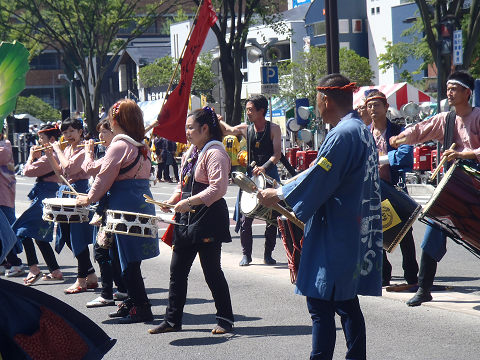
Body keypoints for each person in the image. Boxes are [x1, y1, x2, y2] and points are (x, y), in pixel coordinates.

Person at [257, 74, 383, 360]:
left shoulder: (341, 134)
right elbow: (319, 170)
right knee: (346, 301)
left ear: (325, 100)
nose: (316, 107)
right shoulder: (360, 129)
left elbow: (320, 176)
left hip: (336, 228)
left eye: (317, 101)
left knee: (320, 301)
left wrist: (279, 194)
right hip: (351, 223)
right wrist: (285, 188)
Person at [389, 70, 480, 306]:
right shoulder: (446, 119)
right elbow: (422, 129)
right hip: (452, 186)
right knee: (435, 227)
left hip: (476, 186)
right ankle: (424, 287)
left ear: (467, 93)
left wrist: (465, 154)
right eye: (448, 88)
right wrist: (403, 137)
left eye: (454, 88)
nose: (449, 92)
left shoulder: (478, 116)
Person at [148, 107, 234, 335]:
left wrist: (190, 202)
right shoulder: (191, 152)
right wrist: (171, 201)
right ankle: (172, 320)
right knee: (177, 270)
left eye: (190, 127)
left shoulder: (215, 152)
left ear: (205, 129)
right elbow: (181, 186)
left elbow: (219, 188)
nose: (186, 132)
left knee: (211, 271)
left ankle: (225, 319)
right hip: (187, 217)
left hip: (208, 217)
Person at [76, 99, 159, 323]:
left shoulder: (120, 145)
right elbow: (101, 169)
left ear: (117, 119)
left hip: (123, 205)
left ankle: (141, 306)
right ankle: (132, 301)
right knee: (125, 256)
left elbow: (104, 177)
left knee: (126, 257)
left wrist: (89, 198)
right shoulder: (139, 145)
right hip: (139, 202)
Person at [365, 90, 419, 287]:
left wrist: (380, 160)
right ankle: (383, 274)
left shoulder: (397, 130)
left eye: (376, 105)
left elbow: (405, 156)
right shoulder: (365, 132)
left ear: (386, 107)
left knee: (404, 231)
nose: (372, 109)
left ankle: (412, 275)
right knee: (377, 230)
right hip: (372, 189)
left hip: (394, 187)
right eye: (369, 105)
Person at [221, 94, 282, 266]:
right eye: (246, 110)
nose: (247, 113)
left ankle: (268, 254)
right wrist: (217, 119)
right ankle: (246, 254)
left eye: (250, 110)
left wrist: (264, 167)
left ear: (261, 111)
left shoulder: (274, 129)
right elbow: (228, 130)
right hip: (251, 176)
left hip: (270, 174)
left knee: (272, 217)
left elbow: (276, 154)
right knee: (246, 216)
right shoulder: (246, 128)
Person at [46, 118, 98, 294]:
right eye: (65, 132)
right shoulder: (67, 148)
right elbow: (60, 172)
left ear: (80, 132)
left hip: (79, 193)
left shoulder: (85, 148)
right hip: (66, 192)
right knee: (66, 236)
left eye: (71, 131)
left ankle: (81, 280)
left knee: (77, 238)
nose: (67, 135)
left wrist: (56, 150)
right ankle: (90, 274)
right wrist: (49, 154)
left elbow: (70, 168)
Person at [81, 119, 128, 307]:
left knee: (102, 252)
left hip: (109, 208)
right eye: (99, 132)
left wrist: (87, 152)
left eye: (105, 132)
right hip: (112, 206)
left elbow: (89, 168)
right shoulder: (124, 148)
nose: (100, 137)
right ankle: (122, 289)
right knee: (113, 252)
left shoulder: (114, 151)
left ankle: (107, 293)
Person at [12, 124, 64, 286]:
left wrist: (31, 156)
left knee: (22, 230)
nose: (39, 141)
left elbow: (27, 171)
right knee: (39, 236)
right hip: (47, 193)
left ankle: (34, 268)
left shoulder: (49, 157)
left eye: (42, 138)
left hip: (44, 196)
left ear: (52, 139)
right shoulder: (54, 155)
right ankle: (55, 270)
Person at [0, 127, 24, 277]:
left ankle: (15, 262)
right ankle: (4, 263)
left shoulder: (4, 147)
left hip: (3, 194)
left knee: (8, 230)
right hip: (4, 193)